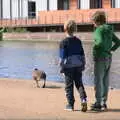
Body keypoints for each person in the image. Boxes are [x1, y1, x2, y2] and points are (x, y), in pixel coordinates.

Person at [91, 11, 120, 111]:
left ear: (97, 21)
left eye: (93, 21)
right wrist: (110, 50)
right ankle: (104, 103)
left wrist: (94, 49)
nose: (93, 23)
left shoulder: (98, 30)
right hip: (108, 58)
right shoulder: (109, 29)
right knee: (105, 80)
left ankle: (98, 104)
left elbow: (99, 42)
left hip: (100, 58)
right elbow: (118, 42)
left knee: (98, 80)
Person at [59, 20, 87, 112]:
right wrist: (83, 65)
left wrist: (61, 68)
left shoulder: (63, 42)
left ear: (65, 29)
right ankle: (84, 99)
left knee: (69, 86)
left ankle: (70, 105)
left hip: (68, 68)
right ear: (75, 29)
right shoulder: (78, 41)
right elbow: (82, 55)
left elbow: (62, 58)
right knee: (79, 84)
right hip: (78, 66)